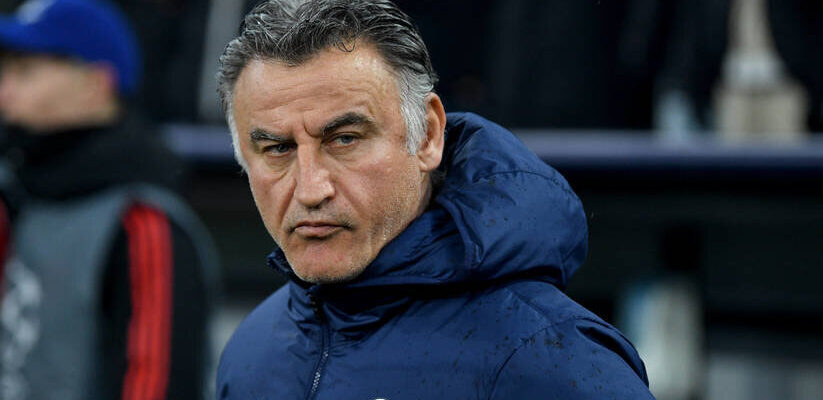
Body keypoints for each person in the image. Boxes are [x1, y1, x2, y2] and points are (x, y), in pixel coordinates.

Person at [215, 0, 655, 398]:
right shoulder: (253, 352)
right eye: (278, 148)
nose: (311, 190)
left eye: (345, 139)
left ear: (427, 135)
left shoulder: (548, 358)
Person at [0, 0, 218, 399]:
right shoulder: (19, 192)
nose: (5, 92)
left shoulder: (143, 224)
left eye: (26, 72)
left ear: (96, 84)